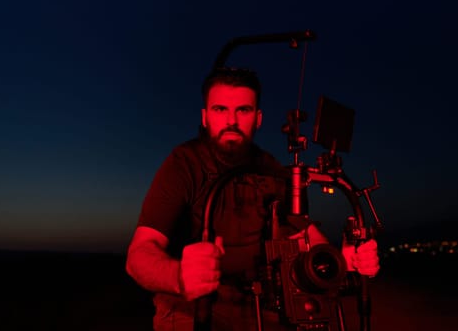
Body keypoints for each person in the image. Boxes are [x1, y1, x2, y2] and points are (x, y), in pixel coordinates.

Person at [126, 67, 380, 330]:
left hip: (254, 298)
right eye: (220, 109)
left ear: (258, 119)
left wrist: (340, 261)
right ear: (205, 117)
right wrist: (179, 277)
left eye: (243, 110)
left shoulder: (271, 170)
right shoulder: (183, 164)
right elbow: (139, 255)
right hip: (187, 300)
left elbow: (306, 235)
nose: (231, 121)